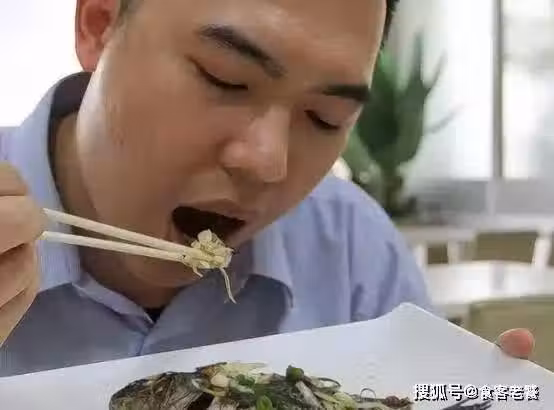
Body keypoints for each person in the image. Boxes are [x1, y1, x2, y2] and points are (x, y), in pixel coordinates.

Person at [0, 0, 533, 377]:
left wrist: (477, 395)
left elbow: (427, 392)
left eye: (325, 118)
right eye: (224, 78)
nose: (267, 162)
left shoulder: (354, 248)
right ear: (99, 25)